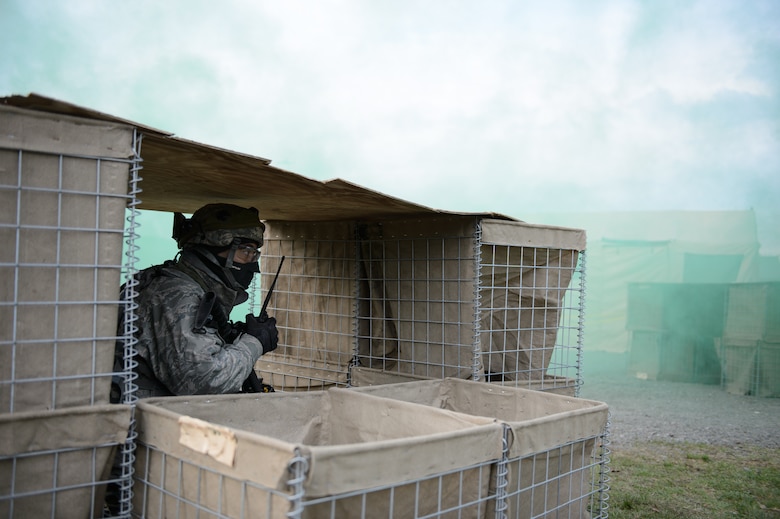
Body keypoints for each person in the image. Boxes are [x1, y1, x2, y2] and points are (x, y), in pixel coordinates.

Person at [113, 202, 279, 400]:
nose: (252, 263)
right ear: (213, 248)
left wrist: (232, 339)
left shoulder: (172, 282)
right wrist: (254, 343)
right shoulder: (177, 295)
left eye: (254, 254)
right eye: (245, 251)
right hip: (142, 416)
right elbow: (204, 382)